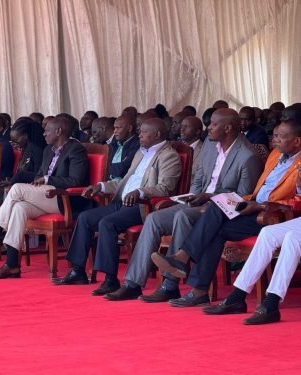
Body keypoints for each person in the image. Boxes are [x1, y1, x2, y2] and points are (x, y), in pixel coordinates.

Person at [104, 109, 263, 302]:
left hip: (221, 209)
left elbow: (241, 198)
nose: (209, 128)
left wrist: (208, 197)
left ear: (228, 128)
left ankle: (170, 285)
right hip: (199, 201)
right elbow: (198, 180)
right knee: (154, 218)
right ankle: (132, 283)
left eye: (213, 124)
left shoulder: (247, 156)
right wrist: (192, 196)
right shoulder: (210, 147)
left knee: (183, 216)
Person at [152, 117, 301, 307]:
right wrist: (245, 201)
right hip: (252, 204)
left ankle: (184, 260)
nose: (274, 139)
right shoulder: (274, 155)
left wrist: (261, 206)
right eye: (275, 135)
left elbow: (296, 202)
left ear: (297, 141)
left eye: (281, 137)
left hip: (273, 215)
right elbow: (259, 190)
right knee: (216, 211)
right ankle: (198, 290)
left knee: (214, 224)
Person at [54, 118, 182, 296]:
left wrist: (140, 192)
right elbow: (125, 181)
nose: (140, 135)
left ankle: (110, 280)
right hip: (121, 201)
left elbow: (165, 188)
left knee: (107, 224)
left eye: (144, 132)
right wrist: (101, 186)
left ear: (157, 134)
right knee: (85, 218)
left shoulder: (169, 156)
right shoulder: (140, 152)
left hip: (141, 206)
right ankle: (78, 271)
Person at [0, 116, 89, 279]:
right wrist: (38, 181)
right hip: (46, 196)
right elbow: (39, 176)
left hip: (65, 199)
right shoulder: (48, 150)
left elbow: (75, 181)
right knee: (19, 208)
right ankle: (12, 264)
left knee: (16, 189)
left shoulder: (75, 149)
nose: (44, 134)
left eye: (47, 130)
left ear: (59, 131)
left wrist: (47, 180)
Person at [2, 117, 45, 185]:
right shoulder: (25, 149)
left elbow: (38, 175)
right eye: (12, 141)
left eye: (15, 140)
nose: (14, 143)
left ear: (25, 136)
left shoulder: (37, 150)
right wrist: (12, 179)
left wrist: (17, 178)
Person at [108, 115, 140, 180]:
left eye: (118, 128)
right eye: (114, 128)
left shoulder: (137, 144)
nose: (114, 131)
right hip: (108, 182)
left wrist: (106, 168)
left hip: (123, 184)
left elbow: (123, 169)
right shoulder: (115, 142)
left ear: (129, 128)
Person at [179, 116, 203, 182]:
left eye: (186, 126)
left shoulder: (204, 151)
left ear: (197, 131)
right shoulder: (176, 148)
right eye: (182, 126)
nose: (182, 129)